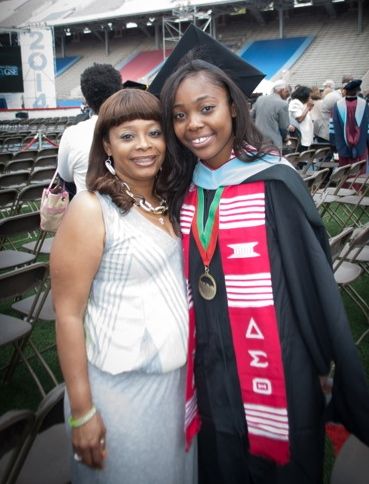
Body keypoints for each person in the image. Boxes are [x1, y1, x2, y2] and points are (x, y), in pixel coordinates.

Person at [158, 57, 369, 484]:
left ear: (233, 107)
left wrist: (325, 357)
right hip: (208, 360)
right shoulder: (180, 186)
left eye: (206, 108)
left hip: (276, 351)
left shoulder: (274, 180)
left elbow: (312, 282)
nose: (193, 124)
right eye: (179, 116)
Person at [50, 88, 197, 484]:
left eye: (154, 132)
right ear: (107, 145)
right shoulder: (90, 209)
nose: (144, 145)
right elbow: (67, 314)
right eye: (128, 135)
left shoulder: (170, 200)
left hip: (176, 385)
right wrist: (83, 410)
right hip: (118, 391)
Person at [57, 63, 122, 195]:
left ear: (86, 99)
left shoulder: (72, 134)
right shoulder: (140, 129)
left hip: (85, 209)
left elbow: (65, 176)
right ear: (119, 91)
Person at [330, 79, 369, 170]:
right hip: (361, 144)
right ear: (357, 91)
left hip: (342, 145)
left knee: (345, 170)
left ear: (346, 91)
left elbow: (332, 127)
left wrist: (333, 143)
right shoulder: (364, 105)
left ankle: (346, 184)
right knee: (359, 170)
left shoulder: (337, 105)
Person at [251, 79, 290, 151]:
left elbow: (251, 116)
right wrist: (285, 138)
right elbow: (284, 127)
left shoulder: (260, 99)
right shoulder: (283, 104)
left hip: (257, 139)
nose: (288, 94)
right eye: (287, 91)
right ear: (282, 90)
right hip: (273, 142)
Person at [288, 85, 314, 151]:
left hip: (305, 137)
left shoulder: (301, 103)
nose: (310, 98)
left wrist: (309, 108)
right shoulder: (295, 103)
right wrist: (308, 107)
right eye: (309, 96)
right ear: (304, 95)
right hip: (300, 137)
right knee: (300, 155)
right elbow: (300, 119)